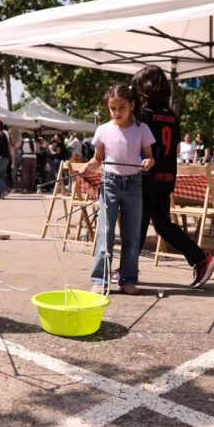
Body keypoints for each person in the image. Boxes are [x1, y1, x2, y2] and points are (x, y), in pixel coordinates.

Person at [134, 66, 214, 288]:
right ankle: (200, 258)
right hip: (167, 176)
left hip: (147, 176)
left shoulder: (144, 116)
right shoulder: (172, 116)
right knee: (161, 224)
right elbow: (175, 148)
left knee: (139, 224)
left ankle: (128, 269)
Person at [85, 84, 155, 295]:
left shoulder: (142, 129)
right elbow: (98, 159)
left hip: (134, 184)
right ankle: (100, 280)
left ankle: (128, 279)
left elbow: (149, 156)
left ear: (132, 105)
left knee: (132, 234)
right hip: (110, 183)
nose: (117, 112)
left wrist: (148, 163)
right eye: (112, 108)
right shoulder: (103, 130)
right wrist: (89, 166)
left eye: (121, 107)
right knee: (106, 233)